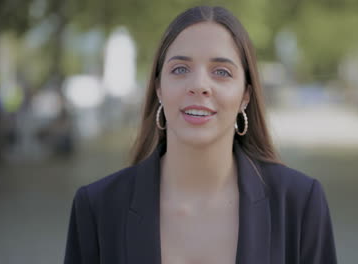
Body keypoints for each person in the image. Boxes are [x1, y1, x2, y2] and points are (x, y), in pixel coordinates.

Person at [64, 6, 337, 264]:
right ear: (159, 88)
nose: (199, 85)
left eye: (221, 72)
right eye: (180, 69)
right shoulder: (97, 208)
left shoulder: (299, 204)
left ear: (246, 96)